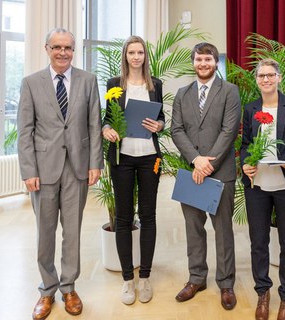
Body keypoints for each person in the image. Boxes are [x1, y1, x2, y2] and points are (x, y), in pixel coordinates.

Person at [17, 28, 103, 320]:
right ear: (47, 49)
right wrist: (28, 170)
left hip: (77, 168)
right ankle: (47, 290)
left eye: (68, 47)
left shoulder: (88, 81)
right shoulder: (31, 83)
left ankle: (68, 287)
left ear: (73, 50)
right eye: (57, 47)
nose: (63, 52)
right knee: (45, 233)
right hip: (43, 170)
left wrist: (95, 163)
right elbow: (25, 131)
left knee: (73, 232)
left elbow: (94, 125)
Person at [171, 42, 241, 310]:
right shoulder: (182, 94)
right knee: (193, 229)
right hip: (191, 172)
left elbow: (229, 130)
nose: (203, 64)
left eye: (208, 59)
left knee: (222, 230)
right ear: (193, 62)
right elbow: (176, 130)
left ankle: (225, 283)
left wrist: (208, 163)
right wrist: (196, 160)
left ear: (215, 62)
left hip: (220, 172)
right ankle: (196, 278)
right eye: (199, 59)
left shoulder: (230, 91)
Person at [240, 58, 285, 320]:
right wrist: (246, 163)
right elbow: (246, 144)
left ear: (279, 77)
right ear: (256, 80)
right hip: (257, 185)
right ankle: (263, 293)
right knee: (259, 242)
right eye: (261, 76)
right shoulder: (250, 108)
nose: (266, 80)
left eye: (270, 75)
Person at [102, 35, 164, 305]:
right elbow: (105, 119)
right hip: (122, 159)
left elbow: (161, 118)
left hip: (149, 158)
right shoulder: (114, 84)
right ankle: (128, 279)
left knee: (148, 216)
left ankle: (146, 276)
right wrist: (107, 130)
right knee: (124, 219)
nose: (136, 57)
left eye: (140, 52)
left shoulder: (156, 85)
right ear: (125, 56)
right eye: (131, 52)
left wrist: (159, 126)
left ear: (145, 56)